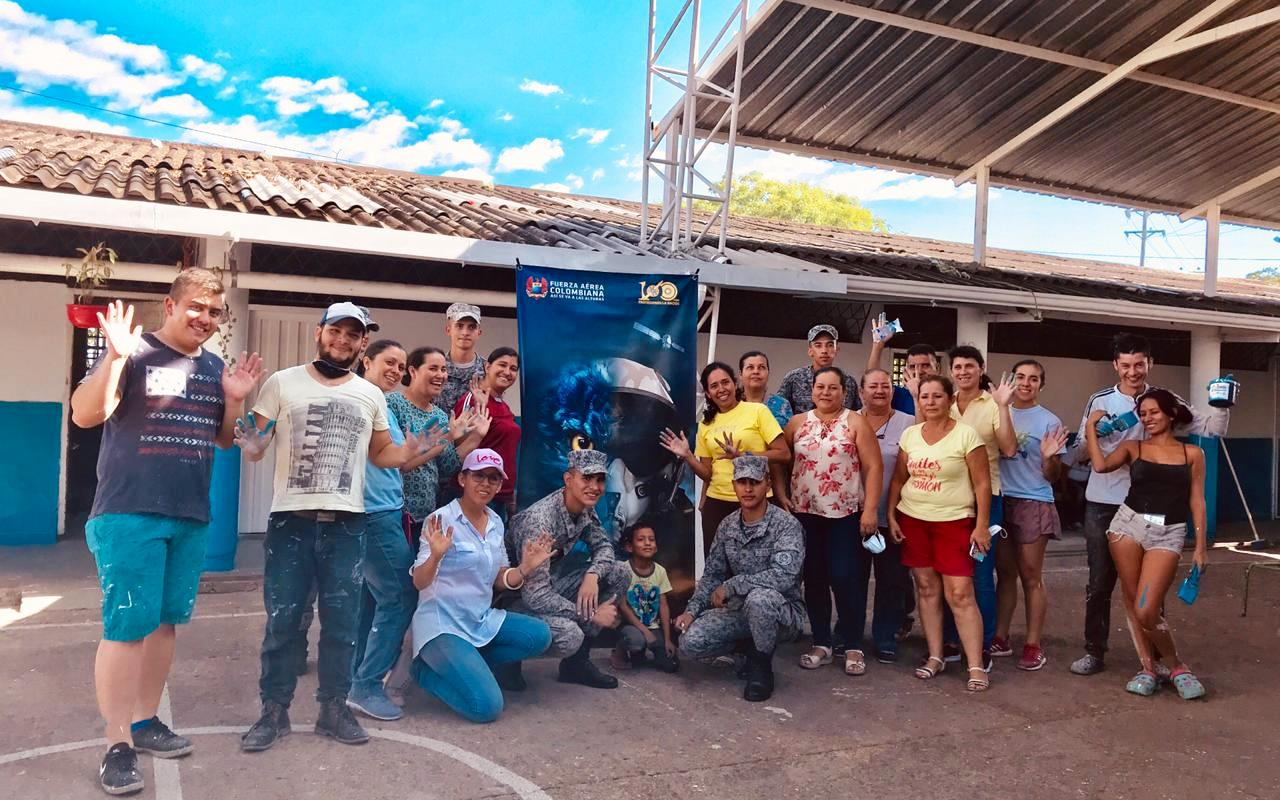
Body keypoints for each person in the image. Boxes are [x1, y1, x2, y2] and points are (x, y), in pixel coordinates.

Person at [70, 270, 263, 796]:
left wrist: (237, 398)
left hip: (189, 513)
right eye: (195, 307)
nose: (204, 318)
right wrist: (113, 356)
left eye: (214, 312)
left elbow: (225, 441)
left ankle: (145, 721)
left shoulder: (214, 368)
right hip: (129, 511)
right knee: (127, 627)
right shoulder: (132, 354)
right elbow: (86, 414)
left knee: (164, 624)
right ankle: (116, 746)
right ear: (170, 305)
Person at [235, 301, 438, 753]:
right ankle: (274, 711)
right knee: (284, 622)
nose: (343, 340)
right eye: (336, 331)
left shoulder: (370, 397)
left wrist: (411, 451)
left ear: (362, 343)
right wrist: (251, 444)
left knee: (342, 624)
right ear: (319, 333)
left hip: (348, 524)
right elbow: (257, 444)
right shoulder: (282, 382)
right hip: (291, 522)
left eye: (353, 334)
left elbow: (382, 453)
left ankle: (333, 708)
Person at [1067, 333, 1228, 677]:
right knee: (1099, 584)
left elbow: (1212, 428)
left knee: (1150, 590)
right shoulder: (1100, 400)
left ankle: (1157, 660)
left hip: (1150, 504)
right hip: (1105, 502)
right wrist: (1102, 433)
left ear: (1149, 363)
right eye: (1125, 365)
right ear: (1115, 366)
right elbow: (1079, 453)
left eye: (1139, 364)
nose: (1132, 371)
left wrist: (1223, 404)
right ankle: (1095, 651)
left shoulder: (1164, 399)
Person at [409, 449, 555, 722]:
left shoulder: (496, 522)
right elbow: (420, 581)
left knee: (540, 636)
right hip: (443, 626)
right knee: (485, 707)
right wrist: (437, 555)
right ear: (463, 479)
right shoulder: (440, 520)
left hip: (479, 620)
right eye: (478, 476)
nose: (485, 484)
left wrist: (524, 568)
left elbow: (500, 578)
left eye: (493, 478)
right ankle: (424, 672)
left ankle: (473, 664)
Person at [1083, 389, 1208, 700]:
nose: (1147, 418)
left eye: (1153, 412)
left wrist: (1201, 547)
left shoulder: (1192, 454)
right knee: (1132, 601)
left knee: (1147, 607)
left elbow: (1197, 500)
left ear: (1170, 414)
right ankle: (1148, 668)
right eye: (1143, 414)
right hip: (1127, 527)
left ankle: (1177, 666)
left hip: (1169, 532)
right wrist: (1090, 429)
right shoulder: (1132, 447)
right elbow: (1099, 467)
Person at [887, 375, 993, 692]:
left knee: (960, 593)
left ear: (949, 399)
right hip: (914, 520)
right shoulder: (910, 435)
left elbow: (982, 484)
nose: (930, 402)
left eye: (937, 396)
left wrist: (982, 524)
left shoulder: (966, 436)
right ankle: (935, 656)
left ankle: (975, 664)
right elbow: (897, 480)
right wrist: (891, 514)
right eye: (924, 396)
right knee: (926, 588)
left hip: (955, 521)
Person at [776, 367, 883, 675]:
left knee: (846, 578)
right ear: (812, 391)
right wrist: (782, 494)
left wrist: (871, 509)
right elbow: (780, 460)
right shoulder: (797, 423)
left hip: (846, 514)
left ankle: (852, 644)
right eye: (820, 387)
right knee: (815, 579)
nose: (826, 392)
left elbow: (874, 467)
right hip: (805, 514)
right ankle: (821, 641)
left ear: (843, 391)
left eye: (832, 387)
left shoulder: (855, 422)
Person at [675, 455, 807, 702]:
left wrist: (734, 584)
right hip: (741, 610)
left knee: (760, 599)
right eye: (741, 482)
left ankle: (762, 666)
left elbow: (784, 577)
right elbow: (713, 574)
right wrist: (691, 612)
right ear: (733, 485)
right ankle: (748, 648)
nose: (747, 489)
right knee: (690, 642)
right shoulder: (728, 526)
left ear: (767, 484)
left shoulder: (786, 525)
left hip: (783, 613)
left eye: (754, 482)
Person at [506, 449, 632, 689]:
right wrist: (590, 614)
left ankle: (576, 663)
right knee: (569, 634)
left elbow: (604, 546)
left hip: (548, 587)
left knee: (619, 572)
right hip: (514, 602)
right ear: (568, 479)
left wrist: (593, 575)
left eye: (600, 479)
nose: (595, 486)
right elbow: (535, 596)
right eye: (587, 478)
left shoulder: (583, 507)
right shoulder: (539, 521)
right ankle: (506, 658)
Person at [345, 340, 419, 721]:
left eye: (401, 364)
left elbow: (391, 462)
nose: (397, 369)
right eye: (389, 362)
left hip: (385, 513)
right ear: (366, 360)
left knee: (371, 600)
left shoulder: (380, 402)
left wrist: (424, 448)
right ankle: (367, 684)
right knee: (401, 596)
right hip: (374, 516)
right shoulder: (362, 399)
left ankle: (354, 676)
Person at [659, 361, 789, 556]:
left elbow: (783, 453)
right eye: (714, 386)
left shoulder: (757, 411)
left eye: (725, 382)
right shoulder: (706, 424)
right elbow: (707, 473)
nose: (721, 389)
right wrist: (687, 455)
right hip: (717, 503)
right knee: (717, 567)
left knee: (754, 563)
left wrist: (744, 456)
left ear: (734, 383)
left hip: (755, 501)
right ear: (708, 394)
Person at [944, 345, 1016, 666]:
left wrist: (1002, 406)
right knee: (948, 572)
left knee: (981, 576)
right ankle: (950, 639)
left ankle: (983, 644)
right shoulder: (944, 402)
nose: (963, 372)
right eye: (957, 367)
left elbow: (1010, 449)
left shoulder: (993, 404)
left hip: (986, 499)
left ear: (981, 367)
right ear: (950, 371)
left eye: (969, 366)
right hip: (945, 499)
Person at [992, 359, 1067, 671]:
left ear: (1041, 385)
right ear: (1010, 380)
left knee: (1031, 575)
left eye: (1033, 379)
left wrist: (1049, 458)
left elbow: (1053, 475)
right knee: (1005, 573)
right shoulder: (997, 411)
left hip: (1033, 502)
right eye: (1020, 377)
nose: (1026, 383)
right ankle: (1000, 636)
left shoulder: (1049, 421)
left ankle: (1033, 644)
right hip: (1001, 499)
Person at [854, 368, 915, 664]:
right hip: (852, 516)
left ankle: (885, 637)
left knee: (891, 580)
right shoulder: (850, 420)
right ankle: (849, 634)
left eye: (886, 386)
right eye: (873, 386)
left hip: (892, 516)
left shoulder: (909, 424)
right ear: (861, 391)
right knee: (851, 578)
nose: (880, 391)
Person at [387, 346, 480, 528]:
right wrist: (446, 437)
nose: (441, 375)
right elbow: (396, 464)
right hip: (397, 513)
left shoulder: (440, 415)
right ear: (413, 371)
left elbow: (446, 467)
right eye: (433, 368)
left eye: (443, 370)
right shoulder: (392, 403)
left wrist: (475, 437)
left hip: (427, 514)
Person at [455, 346, 522, 521]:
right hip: (478, 494)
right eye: (502, 365)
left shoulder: (503, 406)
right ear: (487, 366)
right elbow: (457, 449)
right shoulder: (472, 401)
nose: (507, 372)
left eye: (513, 369)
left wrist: (509, 492)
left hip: (501, 494)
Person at [611, 522, 679, 673]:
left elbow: (663, 605)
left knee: (670, 663)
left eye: (651, 539)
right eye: (641, 539)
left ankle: (639, 654)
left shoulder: (660, 571)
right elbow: (623, 606)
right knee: (637, 642)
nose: (647, 543)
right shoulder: (623, 570)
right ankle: (619, 651)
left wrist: (668, 639)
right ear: (630, 547)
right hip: (629, 624)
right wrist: (645, 632)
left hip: (652, 625)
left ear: (656, 546)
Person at [776, 324, 860, 414]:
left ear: (836, 349)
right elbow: (778, 413)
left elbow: (856, 414)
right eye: (818, 345)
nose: (824, 350)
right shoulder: (794, 378)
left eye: (830, 345)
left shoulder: (848, 381)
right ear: (810, 351)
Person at [864, 320, 936, 415]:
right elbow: (872, 378)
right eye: (912, 366)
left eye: (925, 365)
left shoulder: (946, 396)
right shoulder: (898, 395)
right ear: (906, 369)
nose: (918, 371)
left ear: (937, 368)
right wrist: (877, 346)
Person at [439, 302, 487, 415]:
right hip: (437, 431)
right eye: (459, 326)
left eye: (472, 327)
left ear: (479, 333)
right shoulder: (436, 366)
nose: (465, 332)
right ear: (448, 330)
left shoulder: (487, 370)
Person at [739, 350, 792, 428]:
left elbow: (789, 438)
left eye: (761, 367)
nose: (756, 371)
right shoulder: (733, 404)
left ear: (768, 373)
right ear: (740, 374)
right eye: (750, 367)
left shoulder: (782, 405)